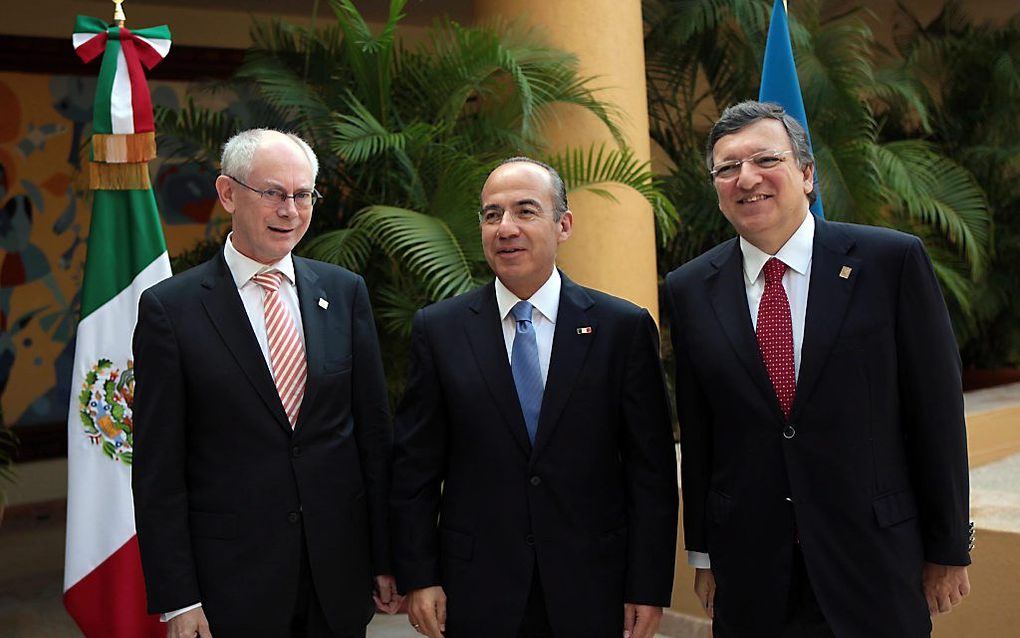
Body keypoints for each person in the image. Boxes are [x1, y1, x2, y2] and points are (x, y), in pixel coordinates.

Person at [665, 101, 973, 637]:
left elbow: (938, 414)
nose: (747, 179)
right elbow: (701, 431)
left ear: (807, 175)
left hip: (875, 561)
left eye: (765, 159)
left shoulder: (890, 262)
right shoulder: (689, 289)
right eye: (727, 168)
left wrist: (948, 546)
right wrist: (704, 553)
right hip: (752, 569)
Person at [390, 158, 678, 638]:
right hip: (476, 587)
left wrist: (647, 586)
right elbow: (414, 468)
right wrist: (421, 577)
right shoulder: (439, 331)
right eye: (491, 215)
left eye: (525, 211)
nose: (506, 229)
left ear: (562, 224)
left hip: (593, 585)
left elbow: (650, 472)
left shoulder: (620, 329)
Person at [132, 129, 398, 638]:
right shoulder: (172, 309)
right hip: (231, 585)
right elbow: (158, 469)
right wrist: (179, 598)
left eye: (303, 195)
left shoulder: (344, 293)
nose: (290, 210)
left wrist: (387, 558)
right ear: (229, 193)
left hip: (336, 578)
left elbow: (372, 438)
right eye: (273, 193)